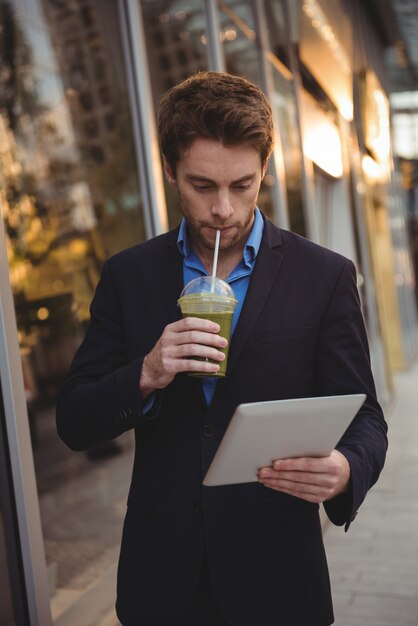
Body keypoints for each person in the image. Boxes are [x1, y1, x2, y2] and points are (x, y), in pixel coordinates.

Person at [56, 71, 388, 626]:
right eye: (202, 186)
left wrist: (347, 467)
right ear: (169, 171)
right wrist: (146, 371)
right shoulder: (128, 276)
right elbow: (73, 419)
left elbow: (366, 417)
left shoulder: (324, 276)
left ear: (265, 170)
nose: (224, 210)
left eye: (243, 185)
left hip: (278, 574)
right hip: (162, 578)